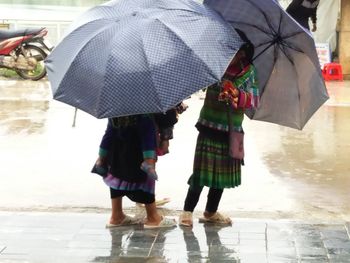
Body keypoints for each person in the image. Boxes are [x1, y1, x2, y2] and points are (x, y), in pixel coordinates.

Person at [178, 41, 259, 227]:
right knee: (200, 172)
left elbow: (254, 100)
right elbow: (198, 83)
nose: (231, 55)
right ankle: (187, 212)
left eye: (236, 52)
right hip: (209, 126)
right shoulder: (215, 65)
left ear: (243, 54)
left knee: (220, 176)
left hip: (231, 130)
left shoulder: (249, 72)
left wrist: (237, 95)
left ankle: (211, 211)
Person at [96, 113, 178, 228]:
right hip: (139, 151)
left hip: (116, 150)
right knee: (145, 180)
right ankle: (153, 217)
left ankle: (116, 215)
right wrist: (149, 157)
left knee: (116, 176)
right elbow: (147, 135)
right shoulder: (144, 109)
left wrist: (101, 155)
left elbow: (108, 133)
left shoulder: (115, 107)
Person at [92, 103, 187, 180]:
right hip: (142, 111)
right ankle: (148, 161)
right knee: (147, 128)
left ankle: (101, 159)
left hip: (118, 110)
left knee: (109, 131)